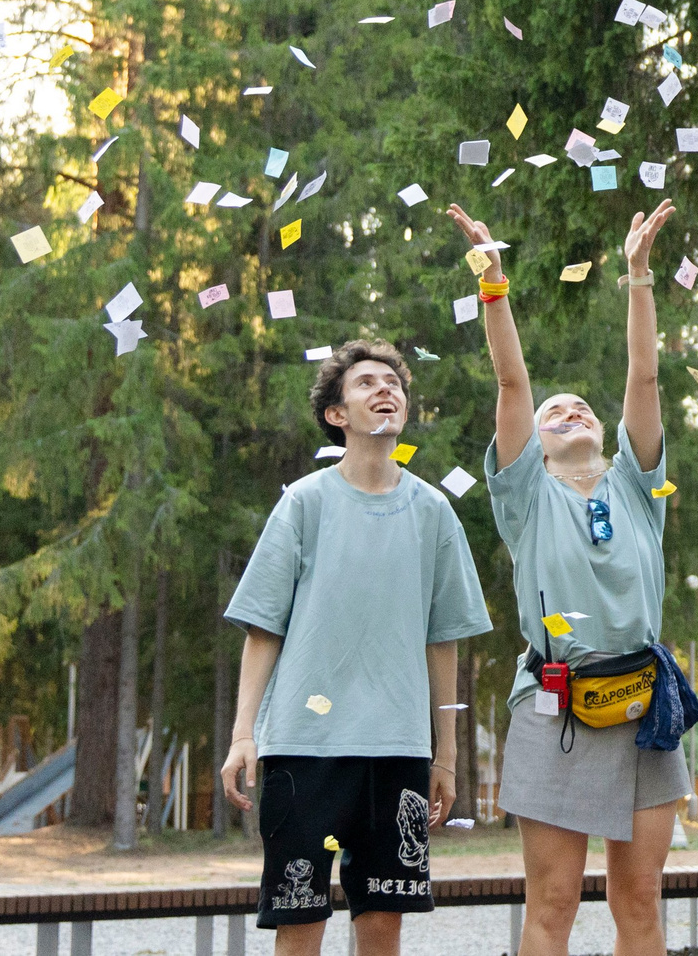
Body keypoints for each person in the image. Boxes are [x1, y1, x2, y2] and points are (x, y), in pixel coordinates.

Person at [448, 199, 689, 956]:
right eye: (558, 413)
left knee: (640, 900)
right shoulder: (526, 497)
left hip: (647, 707)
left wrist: (639, 276)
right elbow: (513, 384)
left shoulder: (637, 490)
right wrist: (493, 281)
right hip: (555, 709)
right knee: (552, 902)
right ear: (536, 448)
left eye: (581, 406)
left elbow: (644, 377)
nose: (571, 410)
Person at [221, 340, 491, 956]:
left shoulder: (434, 512)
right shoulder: (303, 503)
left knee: (381, 929)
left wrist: (444, 756)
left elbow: (443, 640)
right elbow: (265, 629)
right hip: (302, 748)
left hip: (396, 752)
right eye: (366, 382)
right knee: (299, 930)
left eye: (393, 381)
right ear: (337, 414)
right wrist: (244, 734)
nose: (385, 389)